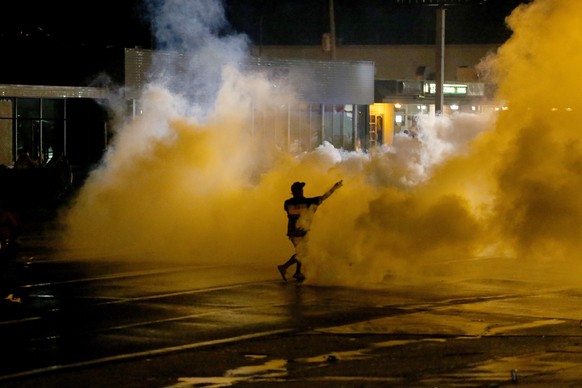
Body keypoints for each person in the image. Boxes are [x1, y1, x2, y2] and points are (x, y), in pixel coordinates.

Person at [278, 180, 343, 282]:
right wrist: (335, 188)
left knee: (300, 251)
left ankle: (298, 272)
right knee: (302, 252)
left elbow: (290, 211)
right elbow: (324, 197)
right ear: (300, 191)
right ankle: (284, 267)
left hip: (292, 232)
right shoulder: (308, 202)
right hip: (300, 231)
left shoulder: (287, 203)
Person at [0, 201, 22, 304]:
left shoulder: (7, 214)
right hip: (5, 243)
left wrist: (10, 240)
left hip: (9, 244)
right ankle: (9, 292)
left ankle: (13, 293)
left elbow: (16, 228)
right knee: (6, 269)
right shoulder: (6, 215)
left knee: (9, 269)